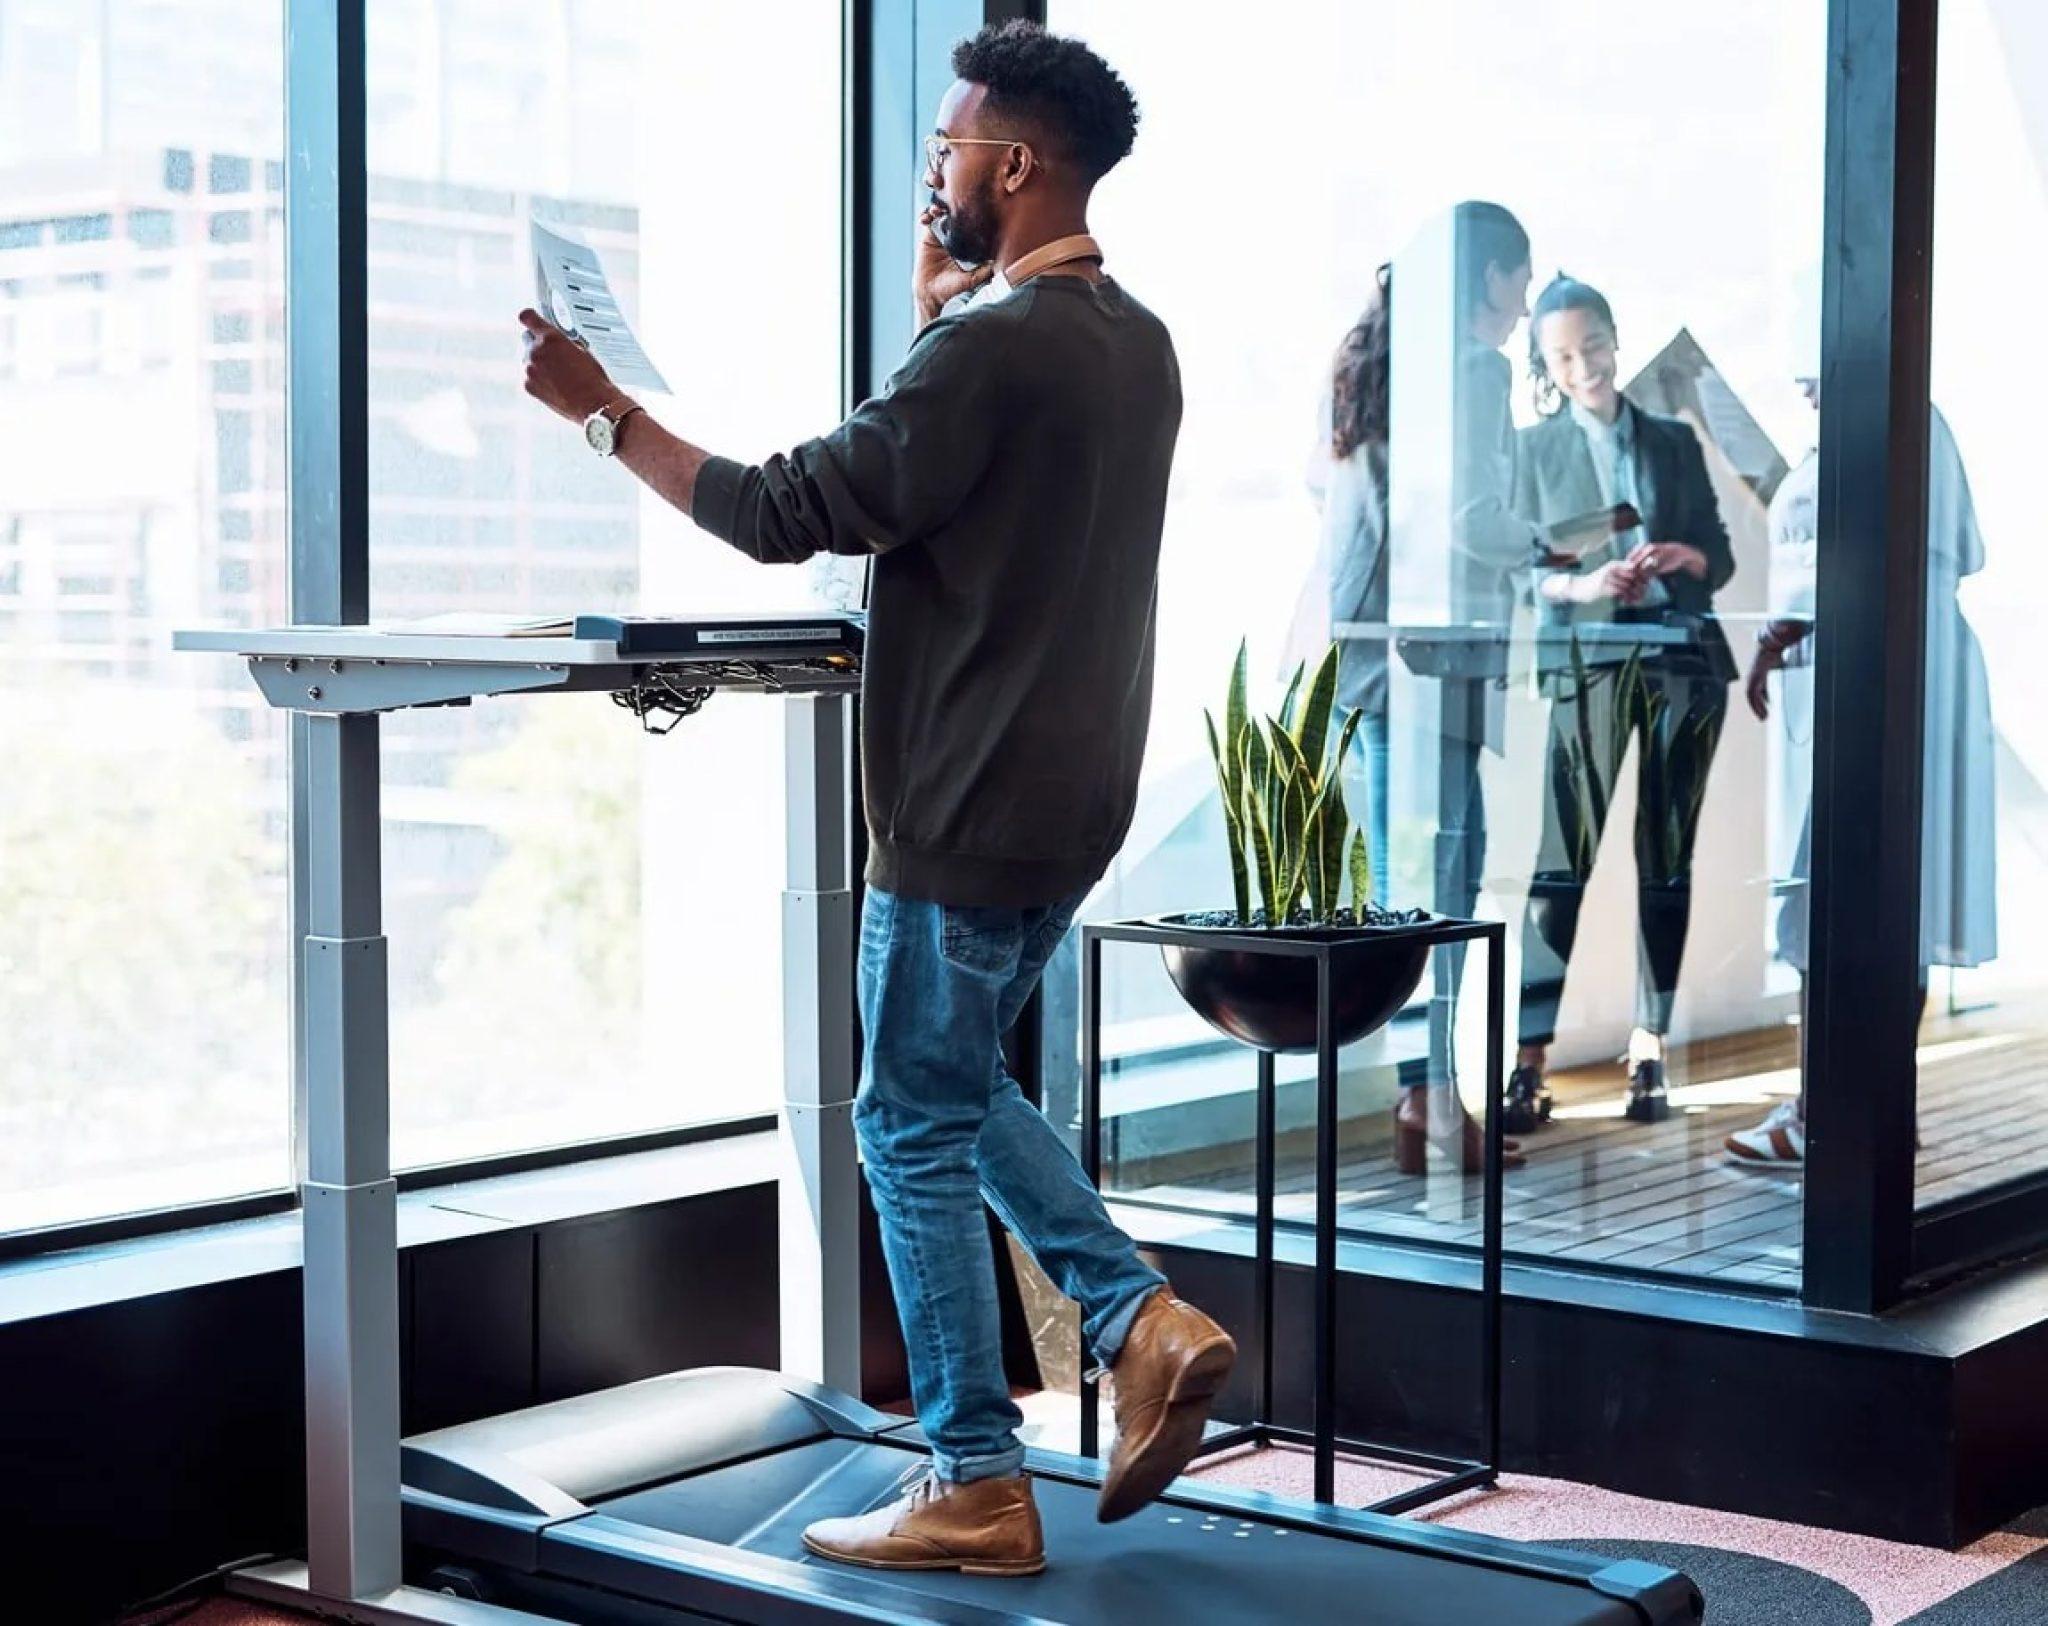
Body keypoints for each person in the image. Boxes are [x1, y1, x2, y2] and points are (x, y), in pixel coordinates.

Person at [516, 19, 1234, 1577]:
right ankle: (1140, 1319)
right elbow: (961, 502)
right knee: (951, 1086)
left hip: (963, 804)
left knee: (904, 1120)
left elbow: (786, 508)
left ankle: (978, 1474)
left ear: (1013, 164)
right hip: (1071, 799)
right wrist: (936, 322)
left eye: (945, 146)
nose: (932, 170)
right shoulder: (1133, 341)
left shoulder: (992, 351)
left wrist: (598, 410)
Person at [1725, 384, 1997, 1167]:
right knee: (1883, 896)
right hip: (1895, 666)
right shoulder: (1894, 421)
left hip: (1875, 672)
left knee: (1836, 899)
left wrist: (1777, 636)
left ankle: (1827, 1113)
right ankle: (1873, 1109)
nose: (1804, 385)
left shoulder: (1884, 417)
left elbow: (1858, 557)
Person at [1504, 275, 1736, 1132]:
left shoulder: (1672, 440)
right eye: (1563, 356)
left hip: (1682, 665)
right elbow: (1522, 571)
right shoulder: (1533, 451)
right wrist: (1586, 584)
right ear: (1546, 364)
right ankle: (1528, 1064)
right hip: (1589, 667)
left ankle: (1650, 1055)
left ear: (1614, 338)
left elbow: (1719, 556)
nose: (1584, 366)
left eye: (1594, 345)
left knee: (1666, 863)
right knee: (1561, 868)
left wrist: (1683, 558)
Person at [1394, 201, 1541, 1177]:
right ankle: (1434, 1101)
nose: (1525, 299)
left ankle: (1424, 1095)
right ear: (1490, 275)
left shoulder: (1400, 366)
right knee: (1449, 883)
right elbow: (1476, 517)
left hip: (1398, 664)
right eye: (1520, 276)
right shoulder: (1479, 370)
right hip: (1453, 660)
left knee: (1417, 884)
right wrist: (1552, 542)